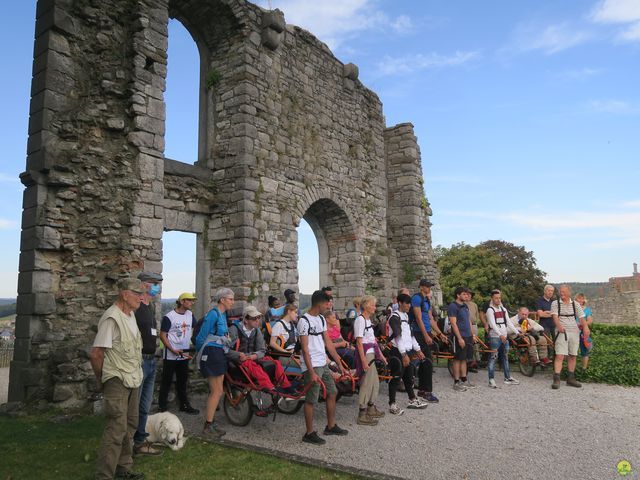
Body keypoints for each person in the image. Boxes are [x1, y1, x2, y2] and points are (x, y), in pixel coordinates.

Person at [90, 277, 146, 480]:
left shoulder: (130, 315)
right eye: (137, 294)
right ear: (125, 294)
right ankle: (104, 476)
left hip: (132, 377)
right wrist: (102, 380)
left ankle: (123, 469)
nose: (141, 297)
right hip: (116, 379)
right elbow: (96, 353)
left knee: (130, 423)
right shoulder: (112, 317)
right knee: (116, 428)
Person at [299, 290, 348, 444]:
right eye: (327, 303)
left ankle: (331, 426)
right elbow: (305, 349)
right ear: (319, 303)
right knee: (311, 399)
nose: (329, 306)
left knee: (332, 392)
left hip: (322, 362)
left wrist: (339, 364)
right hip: (312, 365)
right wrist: (311, 372)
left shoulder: (320, 319)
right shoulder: (304, 321)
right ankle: (309, 433)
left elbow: (328, 343)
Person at [195, 287, 235, 439]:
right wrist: (200, 355)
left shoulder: (222, 315)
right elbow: (201, 336)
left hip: (218, 353)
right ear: (222, 299)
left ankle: (210, 423)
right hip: (211, 353)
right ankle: (208, 425)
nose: (232, 302)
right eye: (230, 299)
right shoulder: (213, 314)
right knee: (216, 390)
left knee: (218, 390)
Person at [227, 305, 293, 393]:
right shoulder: (234, 330)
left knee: (276, 363)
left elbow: (262, 349)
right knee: (254, 366)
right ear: (246, 320)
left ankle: (286, 386)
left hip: (253, 357)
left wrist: (255, 355)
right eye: (254, 318)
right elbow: (226, 350)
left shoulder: (256, 330)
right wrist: (239, 354)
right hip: (239, 360)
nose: (257, 320)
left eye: (258, 317)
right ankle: (268, 386)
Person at [132, 271, 163, 457]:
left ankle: (139, 442)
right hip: (141, 360)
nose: (157, 287)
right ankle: (128, 443)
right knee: (134, 405)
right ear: (143, 284)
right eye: (154, 283)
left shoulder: (148, 306)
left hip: (151, 361)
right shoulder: (136, 307)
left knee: (144, 406)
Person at [387, 294, 429, 414]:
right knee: (396, 378)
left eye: (410, 303)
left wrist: (418, 349)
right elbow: (398, 337)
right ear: (400, 303)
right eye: (407, 303)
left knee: (408, 377)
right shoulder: (394, 317)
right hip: (398, 351)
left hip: (407, 351)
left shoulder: (405, 316)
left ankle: (412, 399)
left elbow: (411, 336)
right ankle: (392, 404)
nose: (409, 306)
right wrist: (404, 354)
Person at [158, 292, 199, 415]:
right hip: (171, 355)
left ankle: (184, 405)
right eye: (189, 300)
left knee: (182, 381)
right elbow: (162, 335)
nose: (192, 303)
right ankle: (162, 407)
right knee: (167, 381)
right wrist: (172, 349)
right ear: (182, 301)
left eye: (192, 300)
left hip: (184, 354)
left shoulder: (190, 315)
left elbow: (197, 328)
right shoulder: (169, 316)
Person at [409, 279, 444, 402]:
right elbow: (418, 319)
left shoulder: (427, 300)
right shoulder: (417, 299)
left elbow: (430, 319)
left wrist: (439, 333)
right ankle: (427, 392)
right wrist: (426, 335)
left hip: (425, 332)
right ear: (422, 287)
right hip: (419, 333)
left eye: (430, 286)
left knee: (425, 362)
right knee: (427, 361)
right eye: (427, 286)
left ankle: (422, 390)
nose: (429, 288)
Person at [354, 295, 387, 425]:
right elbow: (359, 342)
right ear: (366, 305)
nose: (374, 307)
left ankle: (371, 407)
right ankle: (362, 413)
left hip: (372, 353)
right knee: (366, 382)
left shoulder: (368, 320)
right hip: (366, 355)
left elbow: (373, 340)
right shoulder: (360, 320)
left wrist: (382, 356)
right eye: (373, 305)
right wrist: (363, 361)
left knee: (374, 382)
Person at [551, 285, 589, 389]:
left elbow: (582, 318)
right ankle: (556, 379)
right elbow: (555, 317)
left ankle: (571, 378)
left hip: (574, 332)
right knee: (560, 355)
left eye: (563, 291)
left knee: (573, 355)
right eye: (560, 291)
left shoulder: (575, 304)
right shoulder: (555, 303)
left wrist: (585, 328)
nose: (561, 293)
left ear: (569, 292)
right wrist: (559, 326)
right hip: (562, 332)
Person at [485, 290, 520, 388]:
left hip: (504, 336)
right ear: (492, 298)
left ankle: (507, 377)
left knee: (505, 357)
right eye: (496, 298)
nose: (498, 300)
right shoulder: (490, 310)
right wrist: (500, 335)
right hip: (495, 337)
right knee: (493, 358)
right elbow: (492, 324)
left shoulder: (503, 309)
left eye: (499, 298)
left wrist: (517, 332)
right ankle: (491, 380)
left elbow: (508, 322)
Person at [448, 287, 476, 391]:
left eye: (467, 294)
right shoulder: (453, 306)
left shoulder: (465, 306)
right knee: (457, 359)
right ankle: (456, 382)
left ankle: (464, 379)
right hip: (459, 336)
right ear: (458, 295)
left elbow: (468, 320)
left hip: (468, 336)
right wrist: (459, 338)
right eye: (464, 294)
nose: (466, 296)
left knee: (464, 358)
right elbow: (453, 323)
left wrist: (472, 334)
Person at [269, 303, 299, 370]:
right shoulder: (279, 325)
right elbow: (272, 343)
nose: (297, 315)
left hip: (294, 354)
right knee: (308, 364)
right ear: (289, 311)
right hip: (285, 356)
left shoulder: (292, 325)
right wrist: (286, 352)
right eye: (295, 312)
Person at [465, 291, 484, 373]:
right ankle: (470, 362)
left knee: (476, 343)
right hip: (466, 326)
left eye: (470, 294)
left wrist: (476, 321)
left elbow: (476, 315)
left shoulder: (474, 304)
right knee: (469, 344)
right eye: (467, 294)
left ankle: (477, 361)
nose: (469, 296)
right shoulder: (463, 304)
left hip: (474, 325)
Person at [575, 293, 594, 370]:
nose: (580, 300)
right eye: (578, 298)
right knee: (572, 350)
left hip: (583, 332)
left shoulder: (587, 310)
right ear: (576, 299)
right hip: (573, 331)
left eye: (582, 298)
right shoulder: (573, 309)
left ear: (584, 300)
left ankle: (584, 369)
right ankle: (572, 369)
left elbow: (590, 321)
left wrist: (582, 324)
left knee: (584, 350)